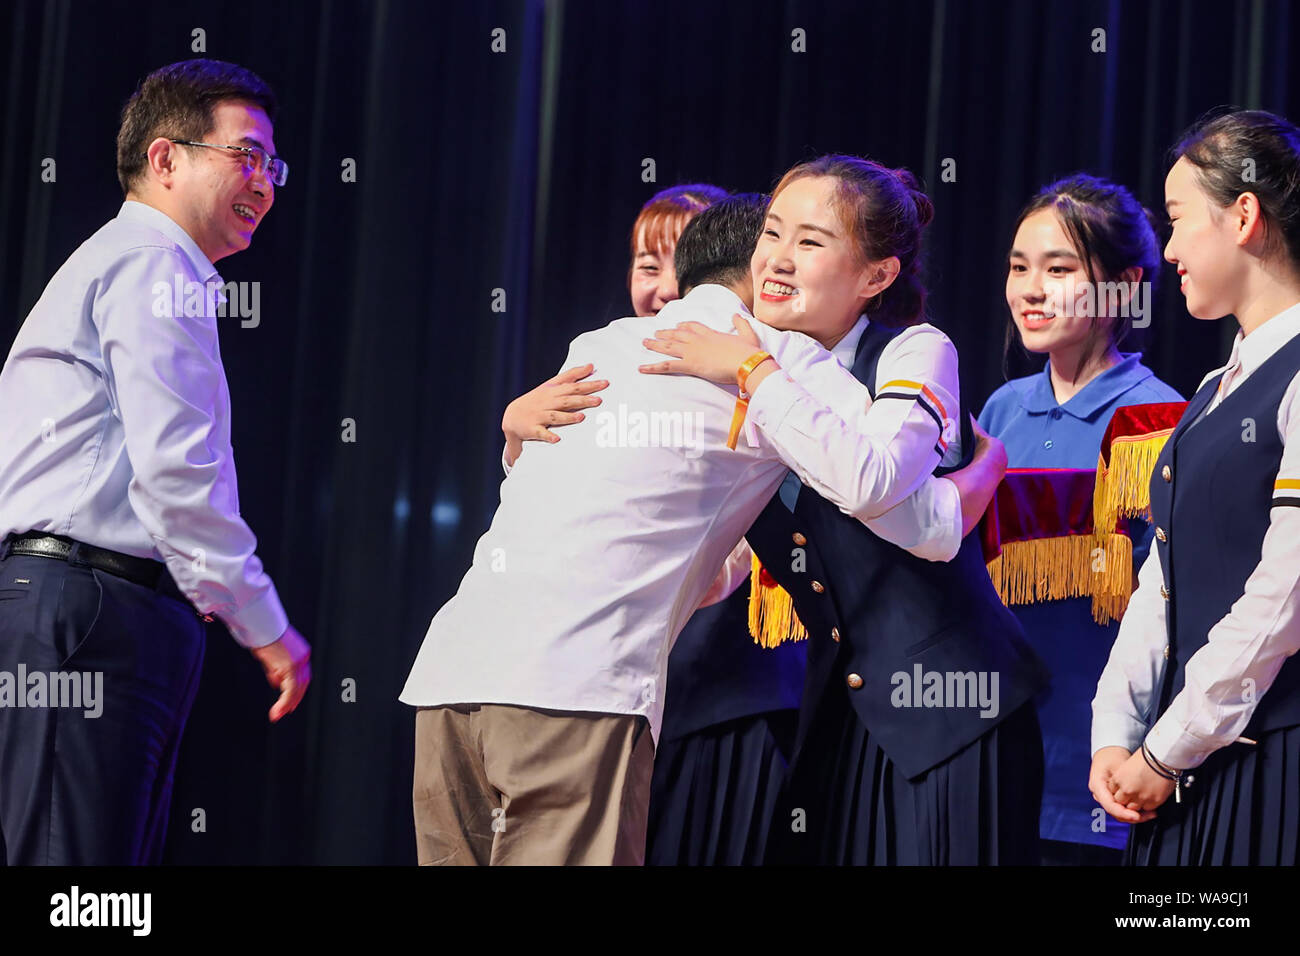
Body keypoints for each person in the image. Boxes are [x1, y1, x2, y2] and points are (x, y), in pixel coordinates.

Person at [400, 193, 1008, 866]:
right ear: (757, 268)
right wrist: (989, 467)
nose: (785, 261)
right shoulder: (779, 357)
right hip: (574, 690)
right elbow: (911, 511)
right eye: (778, 240)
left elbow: (564, 503)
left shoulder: (599, 345)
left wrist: (510, 437)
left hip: (450, 681)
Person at [640, 155, 1049, 865]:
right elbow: (717, 570)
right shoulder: (741, 379)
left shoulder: (914, 352)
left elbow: (875, 487)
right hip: (845, 717)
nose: (778, 259)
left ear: (876, 276)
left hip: (954, 713)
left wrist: (752, 374)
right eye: (772, 233)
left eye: (811, 241)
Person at [0, 59, 311, 866]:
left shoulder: (144, 265)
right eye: (245, 155)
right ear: (166, 157)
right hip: (89, 608)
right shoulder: (151, 262)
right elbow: (176, 474)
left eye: (272, 166)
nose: (266, 183)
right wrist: (265, 623)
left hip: (92, 608)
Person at [503, 185, 812, 865]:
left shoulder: (775, 375)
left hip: (725, 700)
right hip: (594, 690)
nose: (667, 286)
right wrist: (513, 436)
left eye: (681, 263)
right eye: (648, 265)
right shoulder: (600, 365)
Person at [1090, 109, 1300, 865]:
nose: (1170, 249)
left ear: (1243, 215)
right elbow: (1162, 577)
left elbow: (1286, 592)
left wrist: (1167, 750)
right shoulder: (1215, 386)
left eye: (1178, 221)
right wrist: (1117, 732)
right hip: (1185, 768)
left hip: (1270, 765)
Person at [977, 174, 1182, 864]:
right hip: (990, 744)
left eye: (1058, 269)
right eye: (1018, 267)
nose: (1030, 289)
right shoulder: (999, 410)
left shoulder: (1158, 420)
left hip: (1096, 761)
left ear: (1123, 287)